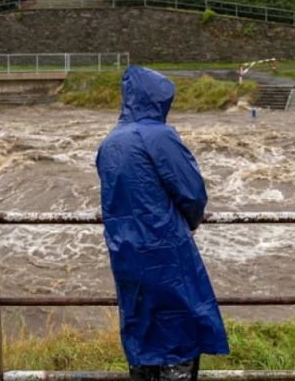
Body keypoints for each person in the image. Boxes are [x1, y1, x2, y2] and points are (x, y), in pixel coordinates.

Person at [97, 66, 229, 381]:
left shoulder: (110, 143)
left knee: (140, 325)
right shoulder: (159, 135)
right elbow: (192, 191)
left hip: (125, 250)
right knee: (181, 327)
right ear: (157, 100)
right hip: (165, 246)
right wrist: (192, 221)